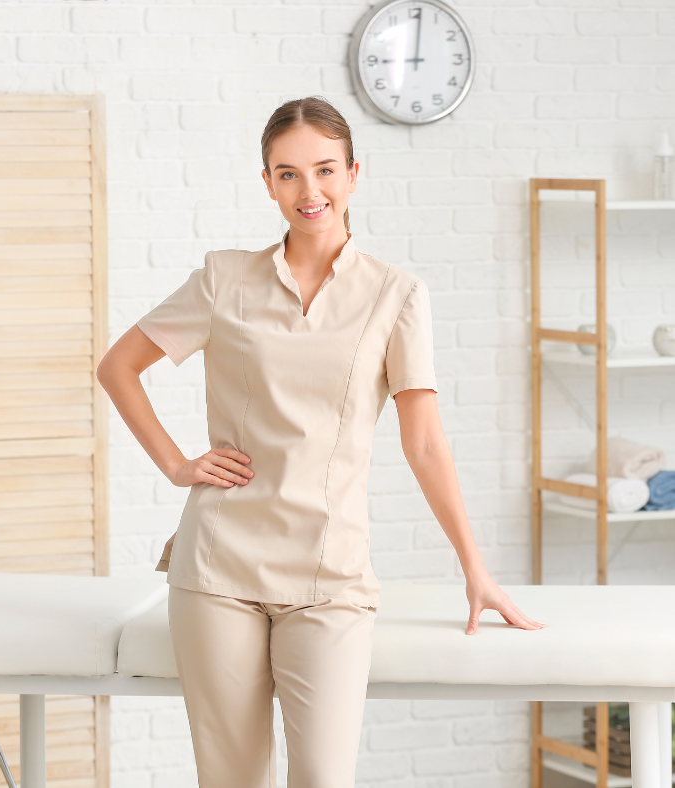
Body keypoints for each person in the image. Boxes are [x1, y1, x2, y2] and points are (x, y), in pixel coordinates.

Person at [96, 95, 543, 788]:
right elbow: (118, 366)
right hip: (219, 568)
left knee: (323, 780)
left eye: (326, 170)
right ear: (267, 182)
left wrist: (474, 567)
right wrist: (178, 465)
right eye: (288, 174)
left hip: (330, 575)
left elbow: (423, 443)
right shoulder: (223, 279)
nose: (310, 191)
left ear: (354, 174)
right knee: (233, 780)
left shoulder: (396, 294)